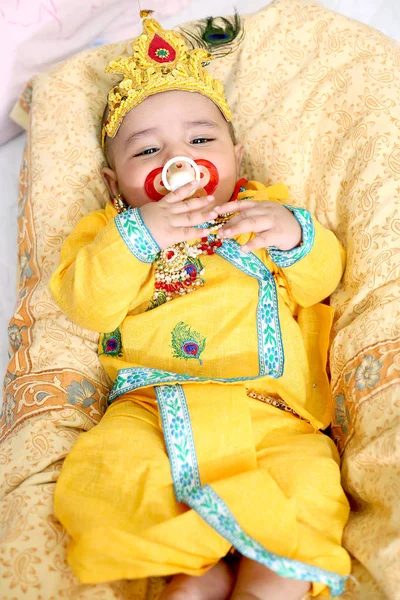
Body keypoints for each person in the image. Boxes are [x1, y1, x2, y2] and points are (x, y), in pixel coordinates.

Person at [50, 11, 351, 600]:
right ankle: (193, 575)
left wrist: (293, 234)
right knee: (115, 475)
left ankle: (275, 578)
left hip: (272, 413)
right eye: (148, 151)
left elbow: (321, 283)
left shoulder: (262, 213)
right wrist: (140, 235)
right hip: (151, 408)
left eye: (200, 140)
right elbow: (86, 302)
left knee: (305, 489)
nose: (177, 158)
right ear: (116, 184)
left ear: (236, 155)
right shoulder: (113, 232)